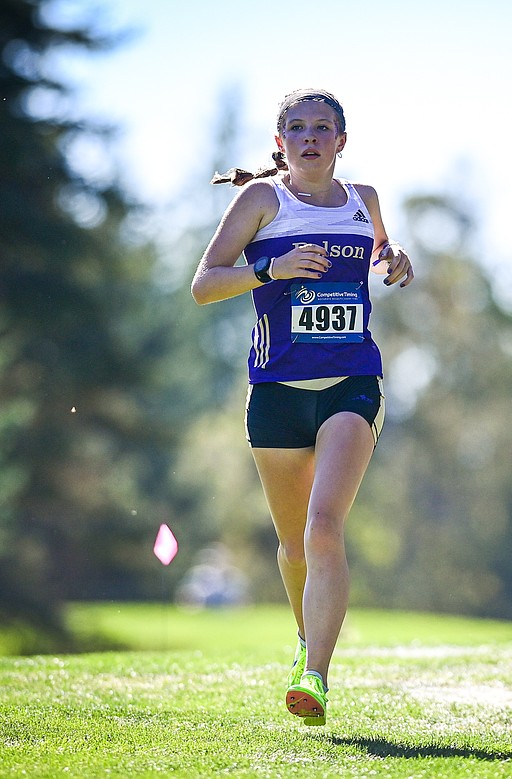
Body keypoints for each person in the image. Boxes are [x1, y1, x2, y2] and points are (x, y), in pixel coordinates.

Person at [191, 88, 413, 726]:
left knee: (324, 527)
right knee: (293, 546)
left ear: (342, 141)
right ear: (279, 141)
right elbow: (205, 284)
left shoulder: (363, 200)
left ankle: (315, 674)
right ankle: (304, 644)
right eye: (297, 127)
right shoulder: (262, 201)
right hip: (277, 393)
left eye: (322, 128)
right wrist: (272, 270)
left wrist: (393, 260)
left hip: (351, 382)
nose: (310, 136)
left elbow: (380, 254)